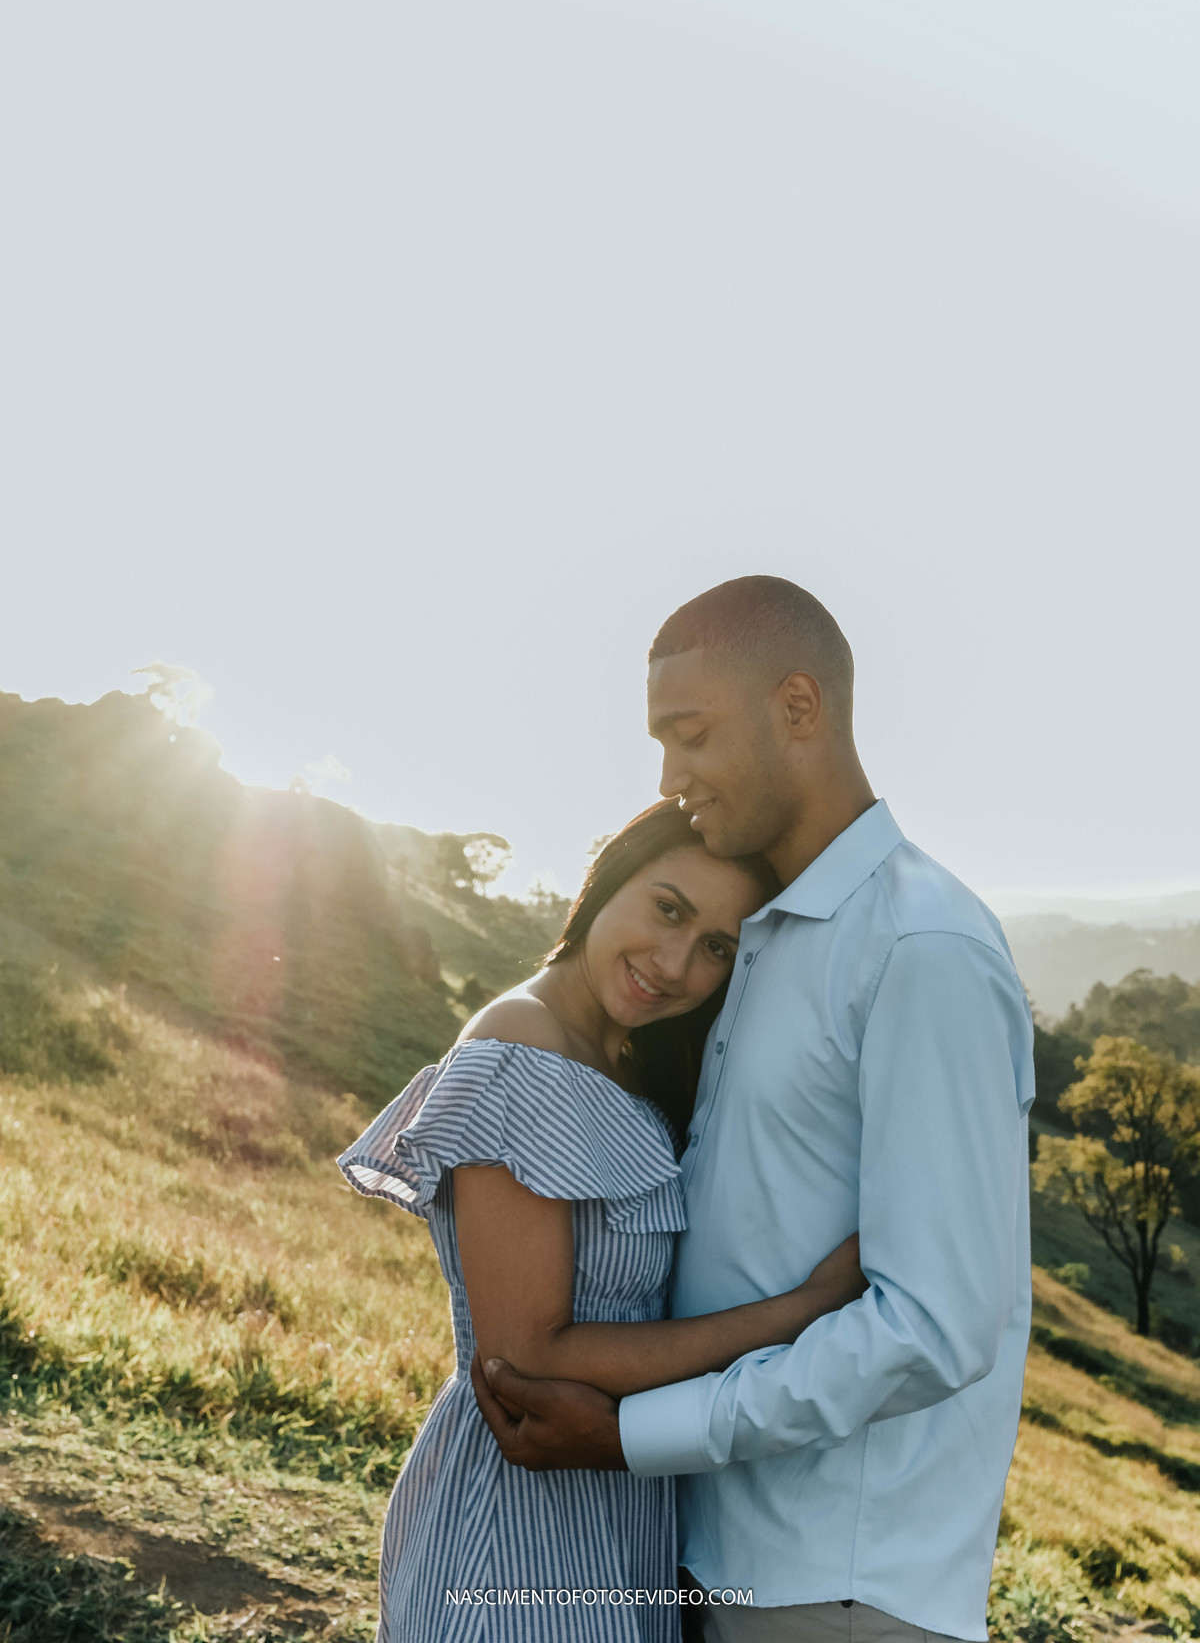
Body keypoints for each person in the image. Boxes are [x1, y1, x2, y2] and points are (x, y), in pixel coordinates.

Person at [472, 576, 1035, 1643]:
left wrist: (638, 1435)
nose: (671, 779)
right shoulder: (760, 939)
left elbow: (931, 1327)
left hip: (841, 1585)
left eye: (690, 737)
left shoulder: (922, 949)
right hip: (714, 1554)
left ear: (798, 709)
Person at [338, 797, 869, 1642]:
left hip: (619, 1499)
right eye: (667, 909)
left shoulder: (625, 1056)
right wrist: (795, 1314)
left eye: (716, 949)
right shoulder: (522, 1045)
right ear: (607, 879)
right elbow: (529, 1354)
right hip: (519, 1508)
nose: (673, 964)